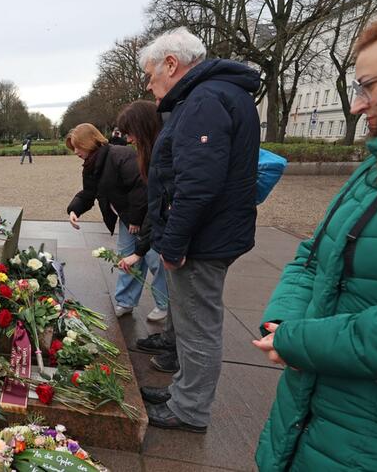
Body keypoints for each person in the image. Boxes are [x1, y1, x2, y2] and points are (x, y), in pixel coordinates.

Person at [254, 0, 377, 471]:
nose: (355, 105)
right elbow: (314, 254)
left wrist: (300, 342)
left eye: (367, 85)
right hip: (317, 409)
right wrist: (283, 320)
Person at [134, 27, 260, 433]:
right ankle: (181, 390)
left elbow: (197, 182)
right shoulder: (217, 94)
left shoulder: (204, 100)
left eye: (152, 77)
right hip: (214, 233)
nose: (152, 89)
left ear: (172, 64)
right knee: (189, 323)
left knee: (196, 326)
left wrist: (173, 244)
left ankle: (189, 409)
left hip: (204, 239)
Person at [65, 123, 165, 318]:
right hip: (128, 218)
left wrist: (136, 220)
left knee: (154, 261)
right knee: (127, 258)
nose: (76, 151)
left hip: (145, 217)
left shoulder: (121, 155)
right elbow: (89, 192)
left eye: (78, 146)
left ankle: (164, 304)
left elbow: (141, 189)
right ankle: (126, 301)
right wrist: (75, 209)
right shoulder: (91, 164)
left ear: (89, 142)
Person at [114, 100, 171, 326]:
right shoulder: (148, 153)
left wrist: (139, 250)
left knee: (157, 262)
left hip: (163, 221)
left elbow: (155, 204)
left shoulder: (163, 153)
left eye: (130, 133)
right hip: (154, 219)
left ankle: (165, 306)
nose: (128, 139)